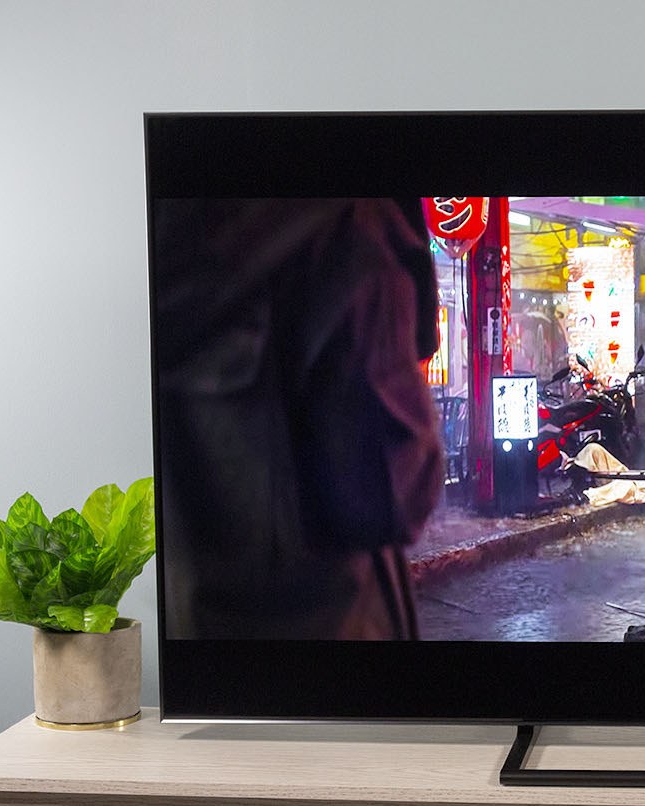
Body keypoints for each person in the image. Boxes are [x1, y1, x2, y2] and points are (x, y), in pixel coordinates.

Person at [153, 199, 445, 640]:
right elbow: (397, 483)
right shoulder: (343, 226)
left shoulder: (150, 236)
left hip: (191, 616)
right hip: (329, 621)